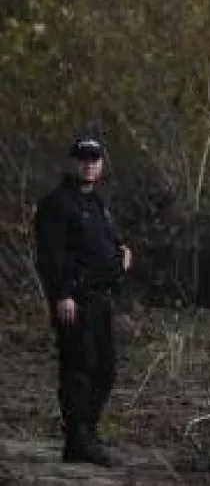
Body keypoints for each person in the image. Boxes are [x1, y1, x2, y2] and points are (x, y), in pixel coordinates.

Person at [33, 134, 133, 467]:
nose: (89, 164)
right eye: (83, 158)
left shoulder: (99, 203)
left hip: (102, 299)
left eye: (95, 159)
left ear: (102, 163)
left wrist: (124, 251)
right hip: (75, 300)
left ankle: (85, 434)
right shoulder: (57, 204)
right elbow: (50, 256)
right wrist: (61, 294)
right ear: (73, 161)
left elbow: (112, 239)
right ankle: (78, 439)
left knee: (106, 369)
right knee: (80, 368)